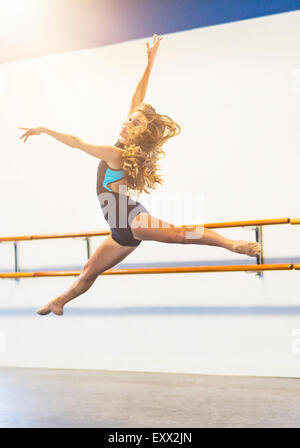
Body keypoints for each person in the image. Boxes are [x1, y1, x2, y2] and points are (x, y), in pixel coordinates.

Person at [18, 34, 260, 316]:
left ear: (140, 131)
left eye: (133, 121)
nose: (126, 121)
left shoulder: (116, 154)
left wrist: (45, 130)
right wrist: (150, 63)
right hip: (119, 229)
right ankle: (58, 302)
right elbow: (138, 98)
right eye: (128, 118)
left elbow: (77, 142)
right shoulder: (126, 147)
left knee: (180, 234)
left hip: (131, 219)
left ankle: (231, 244)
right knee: (87, 272)